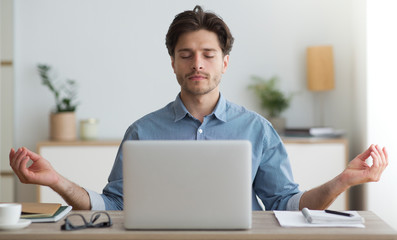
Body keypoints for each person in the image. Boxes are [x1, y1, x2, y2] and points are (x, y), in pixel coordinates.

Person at [10, 5, 388, 211]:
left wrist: (342, 181)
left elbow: (287, 205)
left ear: (225, 62)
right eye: (186, 55)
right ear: (172, 62)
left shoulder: (257, 129)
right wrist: (56, 181)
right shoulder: (142, 131)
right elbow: (113, 205)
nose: (198, 64)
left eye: (208, 54)